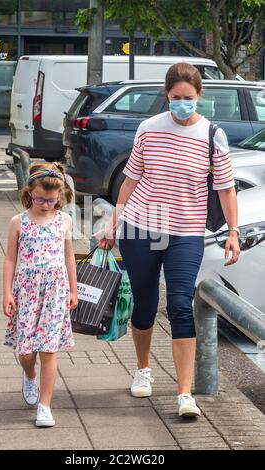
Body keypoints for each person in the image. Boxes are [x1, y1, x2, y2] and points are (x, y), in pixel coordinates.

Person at [97, 63, 240, 418]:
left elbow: (225, 188)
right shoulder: (148, 128)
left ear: (200, 96)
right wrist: (112, 224)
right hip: (141, 227)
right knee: (145, 304)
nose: (181, 104)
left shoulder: (212, 135)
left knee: (179, 303)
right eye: (176, 98)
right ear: (166, 96)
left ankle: (184, 393)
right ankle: (143, 368)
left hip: (186, 231)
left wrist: (233, 233)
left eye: (188, 99)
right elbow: (130, 181)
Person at [3, 162, 78, 427]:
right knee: (26, 352)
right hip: (26, 291)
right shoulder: (18, 222)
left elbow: (69, 256)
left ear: (60, 197)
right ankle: (29, 374)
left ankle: (45, 406)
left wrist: (73, 289)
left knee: (48, 350)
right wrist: (7, 294)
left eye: (51, 200)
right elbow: (10, 259)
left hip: (56, 291)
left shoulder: (64, 220)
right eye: (39, 199)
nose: (45, 204)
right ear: (29, 194)